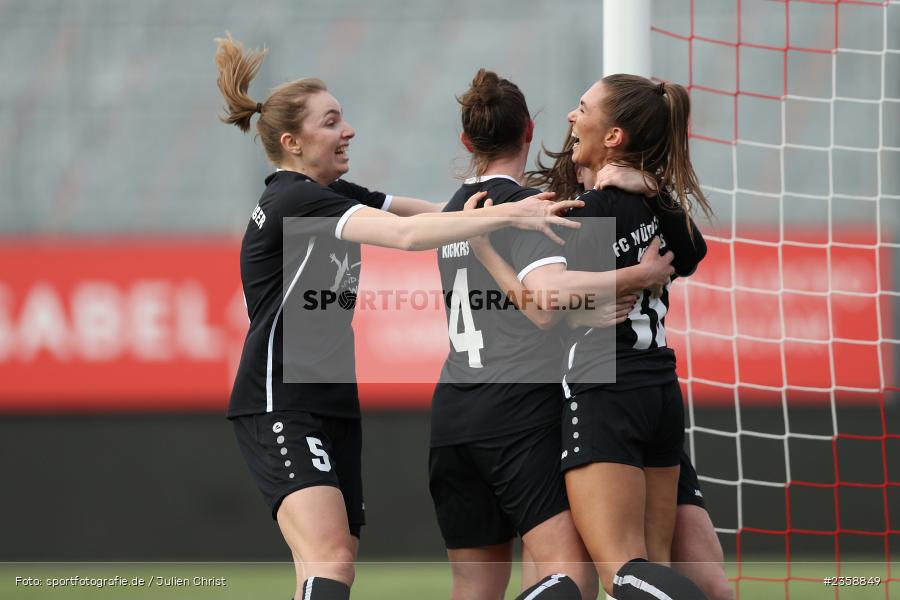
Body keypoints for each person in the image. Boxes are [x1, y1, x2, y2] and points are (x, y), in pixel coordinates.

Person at [214, 36, 583, 600]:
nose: (348, 131)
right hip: (280, 400)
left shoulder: (329, 192)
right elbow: (408, 236)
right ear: (292, 142)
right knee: (330, 561)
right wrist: (511, 212)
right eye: (332, 121)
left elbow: (415, 210)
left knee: (326, 564)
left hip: (330, 399)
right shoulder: (295, 200)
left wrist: (494, 206)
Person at [429, 69, 677, 600]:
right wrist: (632, 278)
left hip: (452, 413)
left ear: (466, 141)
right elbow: (546, 303)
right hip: (517, 410)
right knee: (568, 580)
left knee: (473, 590)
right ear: (528, 131)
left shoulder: (452, 211)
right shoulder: (533, 210)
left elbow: (400, 214)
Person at [526, 131, 734, 600]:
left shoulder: (587, 213)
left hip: (606, 391)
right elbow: (693, 254)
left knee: (618, 571)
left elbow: (541, 303)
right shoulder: (652, 208)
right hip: (659, 381)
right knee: (660, 570)